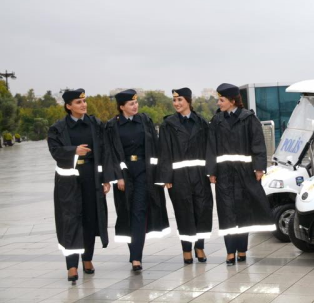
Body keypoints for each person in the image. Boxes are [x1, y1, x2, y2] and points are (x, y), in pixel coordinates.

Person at [206, 83, 275, 265]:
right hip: (224, 174)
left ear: (232, 100)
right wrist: (211, 171)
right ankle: (230, 251)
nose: (219, 103)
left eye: (221, 100)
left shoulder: (249, 119)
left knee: (244, 211)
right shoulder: (217, 121)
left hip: (245, 173)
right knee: (226, 212)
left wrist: (259, 168)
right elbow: (211, 148)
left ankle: (242, 250)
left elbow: (258, 145)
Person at [47, 89, 110, 283]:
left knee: (90, 219)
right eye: (78, 102)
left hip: (91, 177)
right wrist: (75, 150)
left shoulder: (95, 124)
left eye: (84, 101)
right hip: (68, 181)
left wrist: (106, 178)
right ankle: (72, 265)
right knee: (71, 220)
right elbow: (55, 150)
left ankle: (88, 259)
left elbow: (106, 151)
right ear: (68, 106)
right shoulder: (58, 128)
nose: (83, 105)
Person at [104, 89, 170, 272]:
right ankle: (133, 252)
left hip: (144, 173)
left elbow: (155, 147)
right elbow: (110, 153)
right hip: (124, 175)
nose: (135, 106)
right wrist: (118, 176)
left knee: (139, 212)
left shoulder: (145, 121)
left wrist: (158, 174)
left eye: (136, 103)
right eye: (131, 104)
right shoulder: (112, 126)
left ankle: (136, 258)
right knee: (126, 212)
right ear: (121, 106)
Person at [156, 87, 212, 264]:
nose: (177, 104)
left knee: (202, 211)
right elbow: (164, 151)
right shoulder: (168, 124)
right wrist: (166, 177)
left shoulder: (201, 122)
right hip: (179, 177)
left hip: (200, 175)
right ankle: (186, 249)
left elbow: (209, 149)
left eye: (180, 100)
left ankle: (200, 247)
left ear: (188, 101)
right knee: (183, 212)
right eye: (174, 100)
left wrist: (211, 172)